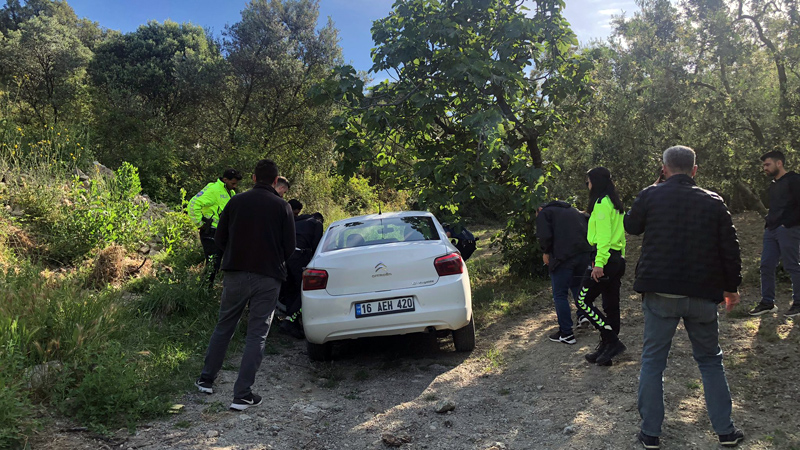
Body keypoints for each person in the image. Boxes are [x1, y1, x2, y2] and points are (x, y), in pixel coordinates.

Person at [625, 145, 744, 449]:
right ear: (694, 170)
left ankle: (650, 433)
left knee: (653, 362)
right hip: (703, 293)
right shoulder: (714, 201)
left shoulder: (650, 194)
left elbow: (631, 226)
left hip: (660, 290)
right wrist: (731, 288)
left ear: (663, 169)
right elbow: (731, 249)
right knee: (710, 361)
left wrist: (652, 188)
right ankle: (726, 431)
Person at [194, 159, 295, 411]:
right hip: (268, 277)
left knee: (224, 326)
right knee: (257, 334)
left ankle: (206, 380)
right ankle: (242, 394)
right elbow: (290, 247)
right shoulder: (283, 207)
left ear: (252, 178)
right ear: (275, 180)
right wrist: (273, 261)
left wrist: (235, 255)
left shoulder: (234, 202)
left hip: (235, 273)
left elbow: (219, 238)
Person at [573, 167, 627, 366]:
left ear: (595, 182)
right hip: (616, 259)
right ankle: (606, 348)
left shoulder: (602, 203)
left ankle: (612, 341)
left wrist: (599, 263)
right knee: (610, 305)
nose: (587, 186)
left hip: (604, 259)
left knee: (582, 301)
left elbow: (604, 237)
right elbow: (621, 236)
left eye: (588, 182)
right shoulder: (615, 203)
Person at [749, 151, 800, 317]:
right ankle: (767, 303)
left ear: (779, 163)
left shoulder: (794, 180)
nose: (765, 168)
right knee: (766, 265)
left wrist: (788, 224)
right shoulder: (773, 185)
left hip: (788, 229)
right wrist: (768, 224)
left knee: (792, 266)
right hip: (771, 230)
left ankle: (798, 303)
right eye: (764, 165)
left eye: (767, 164)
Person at [535, 201, 593, 345]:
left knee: (560, 294)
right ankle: (583, 315)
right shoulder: (573, 211)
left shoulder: (544, 213)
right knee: (577, 287)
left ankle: (566, 333)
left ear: (540, 209)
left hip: (563, 257)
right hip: (584, 253)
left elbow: (544, 235)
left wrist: (546, 252)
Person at [187, 168, 242, 288]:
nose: (235, 186)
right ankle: (203, 291)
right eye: (233, 183)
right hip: (210, 231)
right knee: (213, 264)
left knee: (216, 264)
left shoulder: (230, 193)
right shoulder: (213, 189)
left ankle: (206, 289)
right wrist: (200, 223)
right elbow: (193, 204)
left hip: (221, 232)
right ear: (225, 179)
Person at [279, 212, 325, 339]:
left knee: (290, 289)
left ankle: (292, 323)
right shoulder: (317, 224)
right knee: (305, 289)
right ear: (321, 219)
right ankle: (290, 321)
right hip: (298, 256)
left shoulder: (297, 221)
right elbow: (316, 246)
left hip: (283, 257)